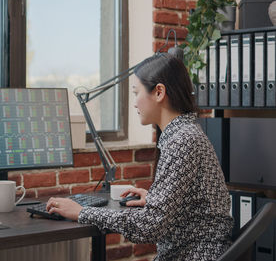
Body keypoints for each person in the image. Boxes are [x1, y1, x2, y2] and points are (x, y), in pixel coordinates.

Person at [46, 53, 233, 260]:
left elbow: (150, 227)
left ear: (159, 92)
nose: (134, 103)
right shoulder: (186, 133)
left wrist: (81, 212)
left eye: (136, 92)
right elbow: (189, 207)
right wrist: (155, 199)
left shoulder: (182, 140)